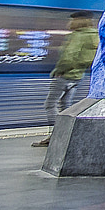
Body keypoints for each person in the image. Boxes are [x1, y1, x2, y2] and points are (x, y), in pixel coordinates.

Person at [31, 11, 98, 148]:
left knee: (50, 104)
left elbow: (69, 56)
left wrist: (59, 71)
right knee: (66, 106)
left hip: (65, 75)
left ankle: (56, 135)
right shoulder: (93, 36)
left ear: (77, 21)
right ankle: (67, 135)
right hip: (78, 76)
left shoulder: (78, 36)